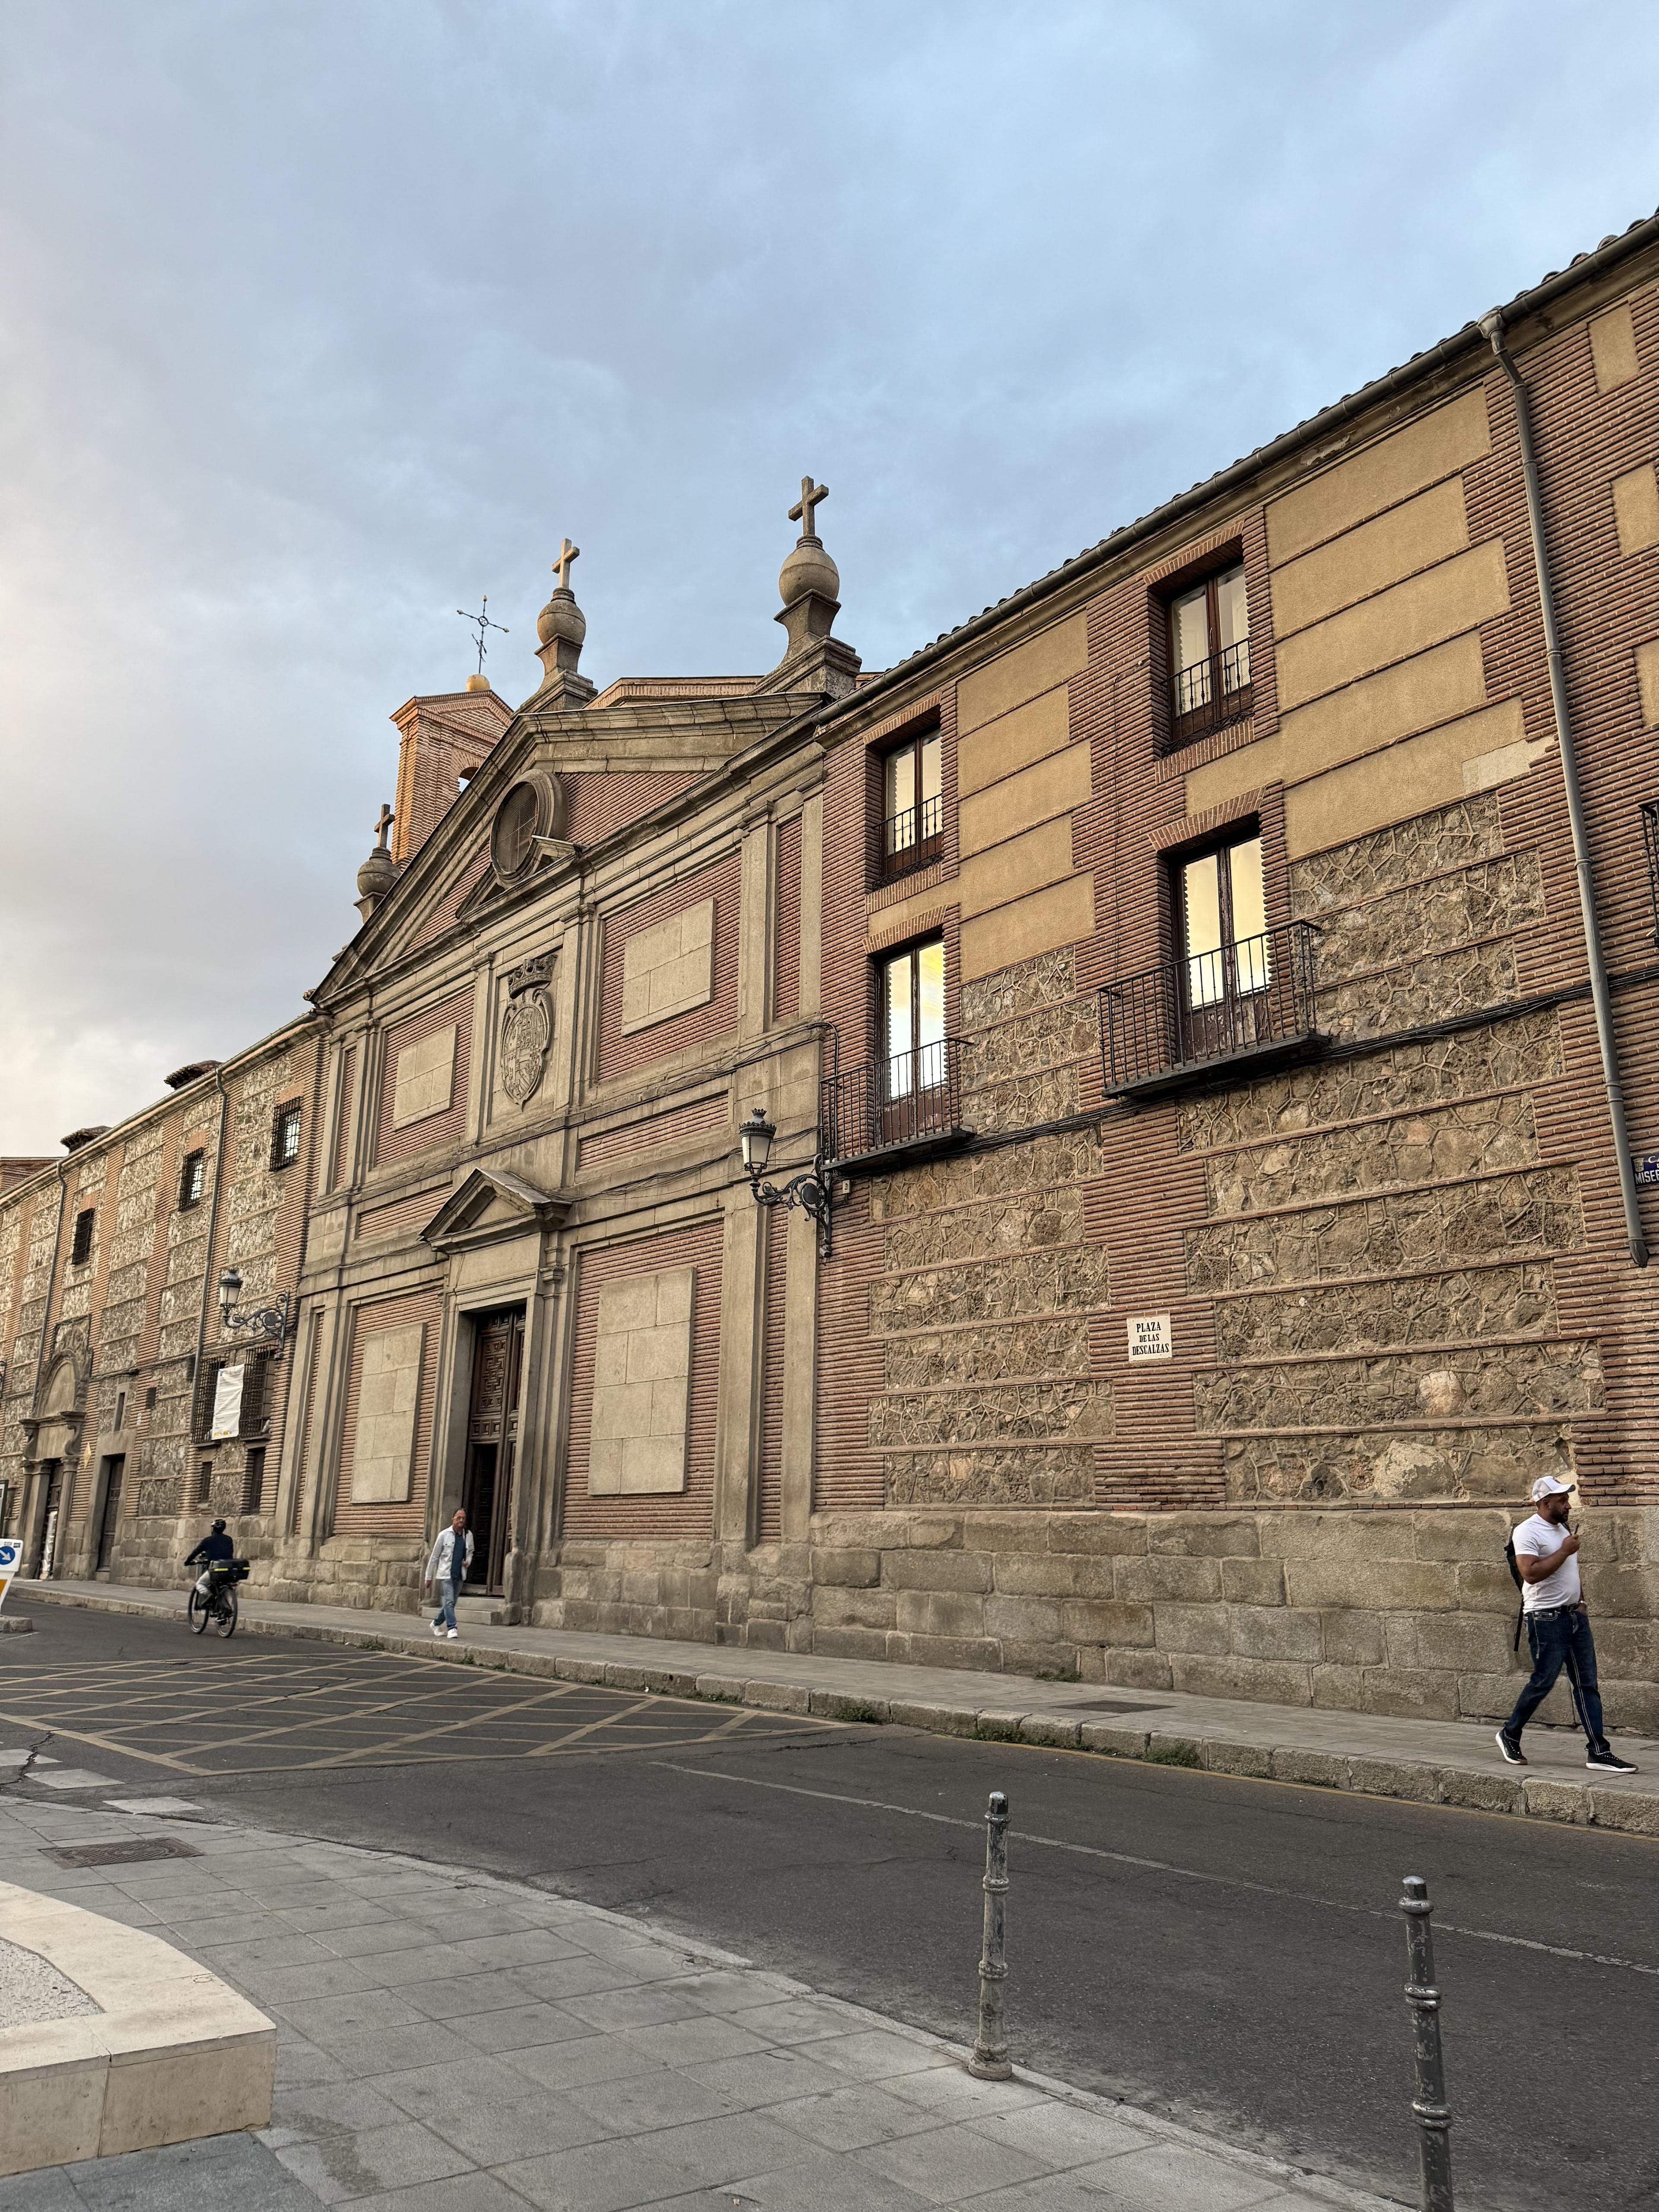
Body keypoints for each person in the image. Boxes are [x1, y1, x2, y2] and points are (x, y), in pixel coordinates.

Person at [1496, 1475, 1637, 1773]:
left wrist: (1582, 1603)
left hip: (1574, 1616)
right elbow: (1531, 1574)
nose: (1568, 1504)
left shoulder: (1562, 1527)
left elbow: (1570, 1573)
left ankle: (1599, 1751)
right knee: (1544, 1681)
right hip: (1546, 1618)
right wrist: (1565, 1550)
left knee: (1587, 1684)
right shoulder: (1527, 1532)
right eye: (1562, 1500)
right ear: (1544, 1503)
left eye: (1567, 1499)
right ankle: (1510, 1733)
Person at [423, 1509, 473, 1640]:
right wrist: (428, 1577)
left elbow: (471, 1552)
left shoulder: (468, 1535)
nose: (461, 1521)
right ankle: (452, 1628)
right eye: (459, 1518)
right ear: (453, 1519)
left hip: (460, 1574)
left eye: (463, 1518)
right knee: (449, 1601)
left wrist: (468, 1562)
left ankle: (436, 1623)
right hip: (446, 1574)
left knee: (451, 1603)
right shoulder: (444, 1535)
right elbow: (434, 1557)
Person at [184, 1519, 235, 1602]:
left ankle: (209, 1595)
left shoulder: (208, 1541)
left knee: (200, 1584)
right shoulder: (229, 1540)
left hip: (214, 1570)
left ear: (213, 1529)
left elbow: (196, 1552)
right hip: (228, 1569)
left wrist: (188, 1561)